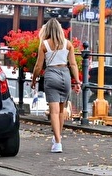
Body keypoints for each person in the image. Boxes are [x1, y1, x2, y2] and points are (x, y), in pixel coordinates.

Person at [30, 18, 80, 153]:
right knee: (61, 110)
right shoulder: (68, 44)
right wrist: (77, 81)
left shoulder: (44, 45)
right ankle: (57, 138)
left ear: (47, 30)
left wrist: (34, 79)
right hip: (65, 75)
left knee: (54, 111)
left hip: (51, 75)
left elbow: (38, 66)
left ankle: (57, 143)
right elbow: (73, 64)